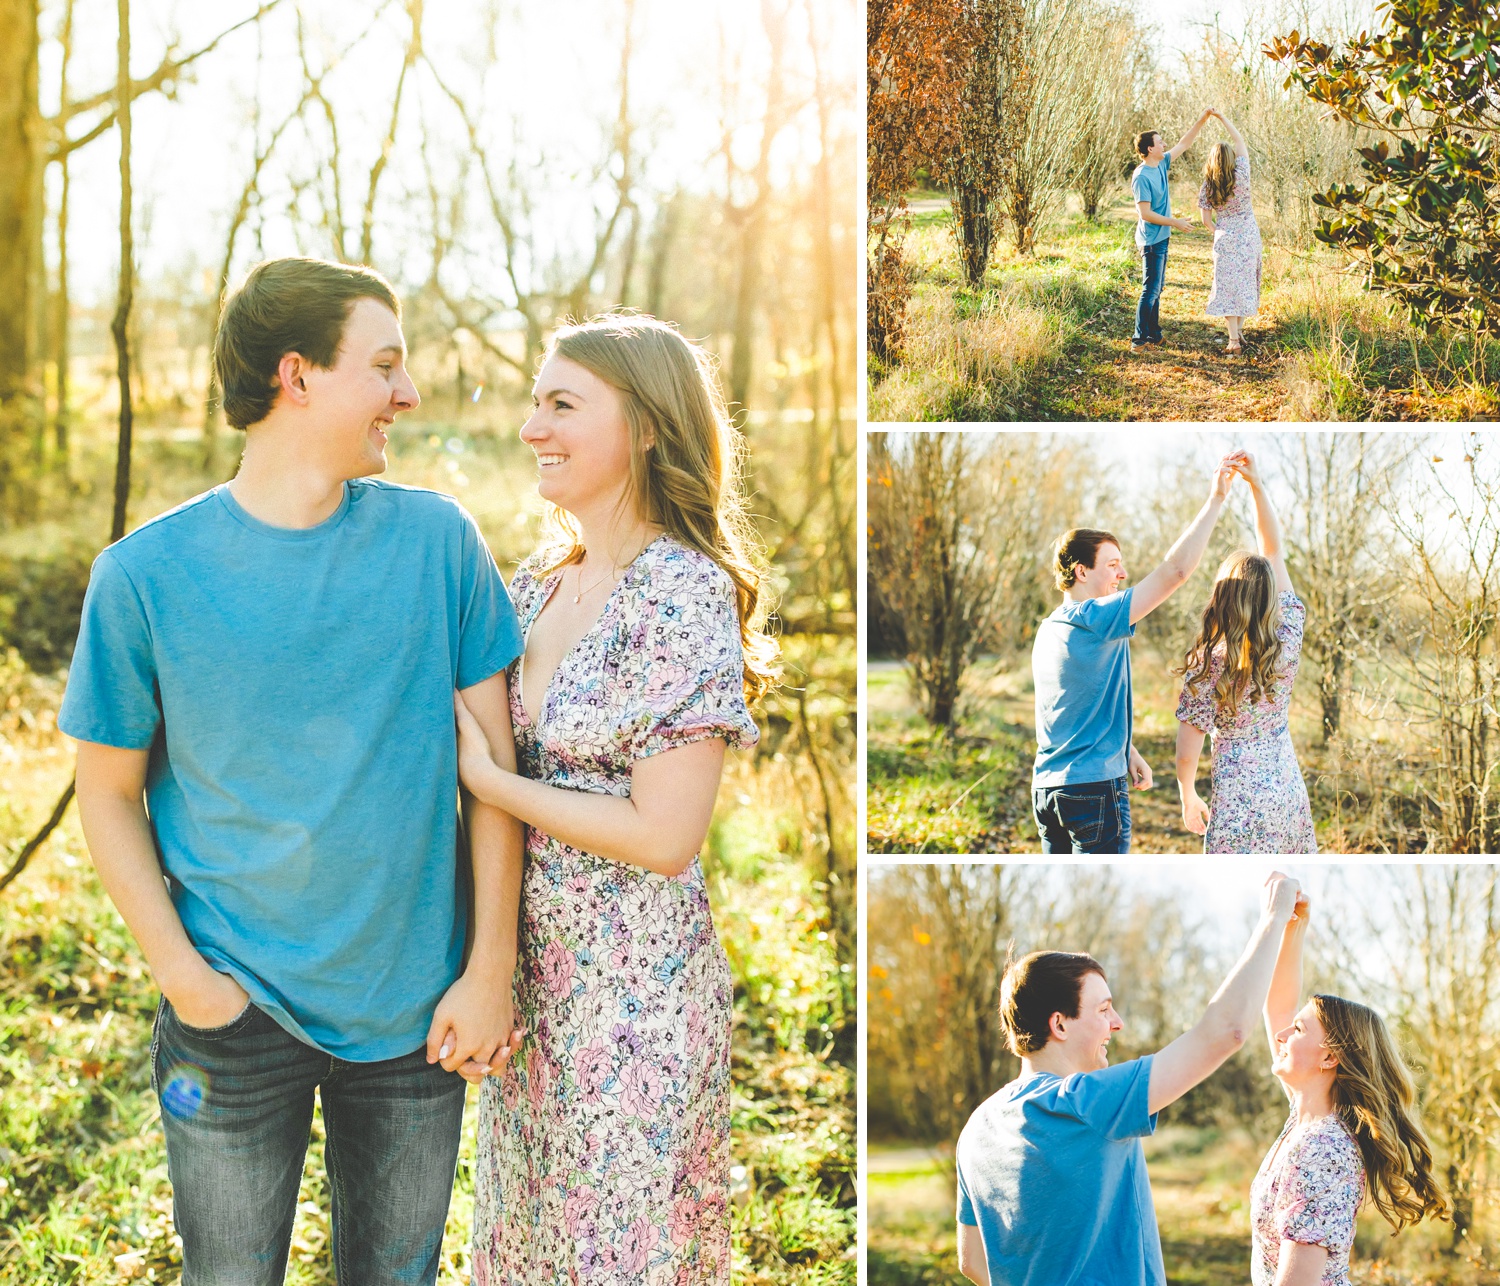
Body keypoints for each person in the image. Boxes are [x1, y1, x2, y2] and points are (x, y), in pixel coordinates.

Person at [59, 257, 527, 1285]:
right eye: (386, 365)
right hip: (234, 1016)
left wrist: (488, 968)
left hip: (415, 1021)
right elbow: (107, 791)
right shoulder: (143, 577)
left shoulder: (437, 543)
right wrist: (187, 977)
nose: (407, 394)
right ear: (298, 376)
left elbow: (492, 777)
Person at [451, 313, 776, 1284]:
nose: (531, 426)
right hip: (532, 970)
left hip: (635, 989)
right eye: (533, 402)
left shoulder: (682, 590)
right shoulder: (534, 585)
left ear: (644, 426)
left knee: (617, 1254)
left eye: (561, 404)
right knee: (530, 1241)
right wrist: (485, 960)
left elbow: (667, 833)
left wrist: (496, 782)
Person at [955, 872, 1306, 1286]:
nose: (1116, 1023)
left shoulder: (977, 1127)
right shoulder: (1085, 1102)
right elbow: (1225, 1033)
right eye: (1103, 1010)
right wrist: (1273, 917)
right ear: (1060, 1025)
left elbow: (973, 1263)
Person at [1031, 456, 1240, 854]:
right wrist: (1215, 499)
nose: (1122, 575)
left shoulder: (1049, 628)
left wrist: (1127, 750)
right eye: (1112, 565)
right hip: (1093, 792)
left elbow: (1075, 709)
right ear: (1080, 572)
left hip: (1047, 793)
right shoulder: (1096, 617)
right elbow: (1175, 572)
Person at [1256, 891, 1448, 1285]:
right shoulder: (1305, 1118)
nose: (1280, 1035)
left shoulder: (1324, 1151)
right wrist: (1293, 926)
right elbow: (1275, 1005)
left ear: (1329, 1058)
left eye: (1297, 1029)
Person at [1175, 451, 1316, 854]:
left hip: (1237, 805)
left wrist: (1188, 795)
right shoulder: (1287, 634)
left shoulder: (1206, 665)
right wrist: (1256, 484)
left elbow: (1188, 754)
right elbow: (1273, 551)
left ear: (1221, 597)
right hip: (1287, 794)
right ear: (1270, 595)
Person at [1130, 108, 1214, 352]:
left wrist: (1202, 119)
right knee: (1150, 289)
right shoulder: (1141, 176)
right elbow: (1145, 214)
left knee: (1158, 287)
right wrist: (1175, 222)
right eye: (1159, 142)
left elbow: (1184, 143)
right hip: (1150, 240)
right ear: (1149, 149)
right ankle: (1138, 340)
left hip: (1162, 237)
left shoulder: (1162, 162)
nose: (1164, 144)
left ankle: (1154, 336)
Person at [1198, 110, 1262, 355]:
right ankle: (1239, 333)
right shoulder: (1243, 175)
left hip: (1225, 238)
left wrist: (1220, 232)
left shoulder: (1208, 186)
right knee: (1246, 284)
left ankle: (1233, 339)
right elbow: (1241, 141)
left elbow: (1205, 220)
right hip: (1248, 237)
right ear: (1232, 158)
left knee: (1227, 288)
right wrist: (1223, 119)